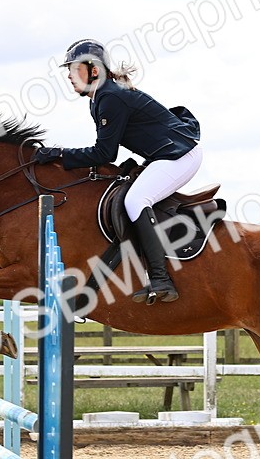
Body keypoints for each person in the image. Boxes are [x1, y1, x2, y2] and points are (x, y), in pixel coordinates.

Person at [32, 39, 202, 304]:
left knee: (136, 201)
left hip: (180, 156)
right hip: (165, 155)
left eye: (75, 68)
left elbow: (104, 153)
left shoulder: (110, 97)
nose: (69, 75)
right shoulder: (100, 97)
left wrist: (60, 154)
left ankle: (161, 278)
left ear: (94, 70)